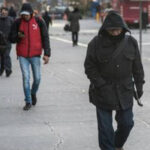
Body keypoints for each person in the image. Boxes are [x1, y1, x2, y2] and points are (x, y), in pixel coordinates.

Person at [84, 11, 145, 150]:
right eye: (112, 30)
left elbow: (137, 67)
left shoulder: (131, 42)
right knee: (105, 130)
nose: (116, 32)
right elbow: (89, 67)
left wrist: (139, 86)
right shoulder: (95, 43)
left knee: (127, 123)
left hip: (125, 90)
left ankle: (117, 145)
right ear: (106, 29)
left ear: (123, 27)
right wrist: (99, 83)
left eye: (118, 29)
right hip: (103, 91)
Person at [9, 3, 51, 111]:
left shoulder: (39, 21)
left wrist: (47, 54)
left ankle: (33, 93)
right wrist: (18, 36)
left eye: (27, 14)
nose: (25, 16)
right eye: (23, 14)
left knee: (37, 78)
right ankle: (28, 101)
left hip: (36, 55)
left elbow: (45, 37)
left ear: (31, 13)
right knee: (26, 78)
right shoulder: (17, 22)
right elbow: (11, 38)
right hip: (23, 55)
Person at [0, 7, 13, 77]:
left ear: (7, 12)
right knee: (1, 56)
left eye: (5, 11)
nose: (4, 12)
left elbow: (14, 29)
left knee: (6, 55)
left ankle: (8, 69)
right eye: (2, 11)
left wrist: (13, 37)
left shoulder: (10, 20)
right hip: (0, 41)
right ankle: (1, 69)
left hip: (8, 41)